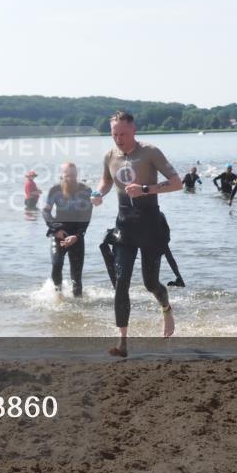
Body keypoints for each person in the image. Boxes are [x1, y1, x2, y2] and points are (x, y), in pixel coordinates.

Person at [91, 111, 183, 357]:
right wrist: (97, 194)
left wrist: (145, 189)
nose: (118, 139)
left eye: (122, 134)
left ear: (134, 129)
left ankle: (166, 308)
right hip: (124, 228)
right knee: (121, 282)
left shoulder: (150, 152)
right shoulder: (110, 156)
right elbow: (106, 181)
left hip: (150, 226)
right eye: (114, 134)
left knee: (150, 283)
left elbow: (177, 183)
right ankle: (122, 342)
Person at [42, 162, 93, 297]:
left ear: (77, 174)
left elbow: (87, 215)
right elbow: (46, 211)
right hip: (60, 234)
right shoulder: (55, 190)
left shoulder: (85, 191)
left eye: (73, 175)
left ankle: (79, 305)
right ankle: (58, 295)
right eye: (67, 175)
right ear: (62, 175)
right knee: (56, 265)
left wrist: (77, 235)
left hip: (76, 235)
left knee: (76, 277)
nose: (71, 178)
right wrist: (55, 229)